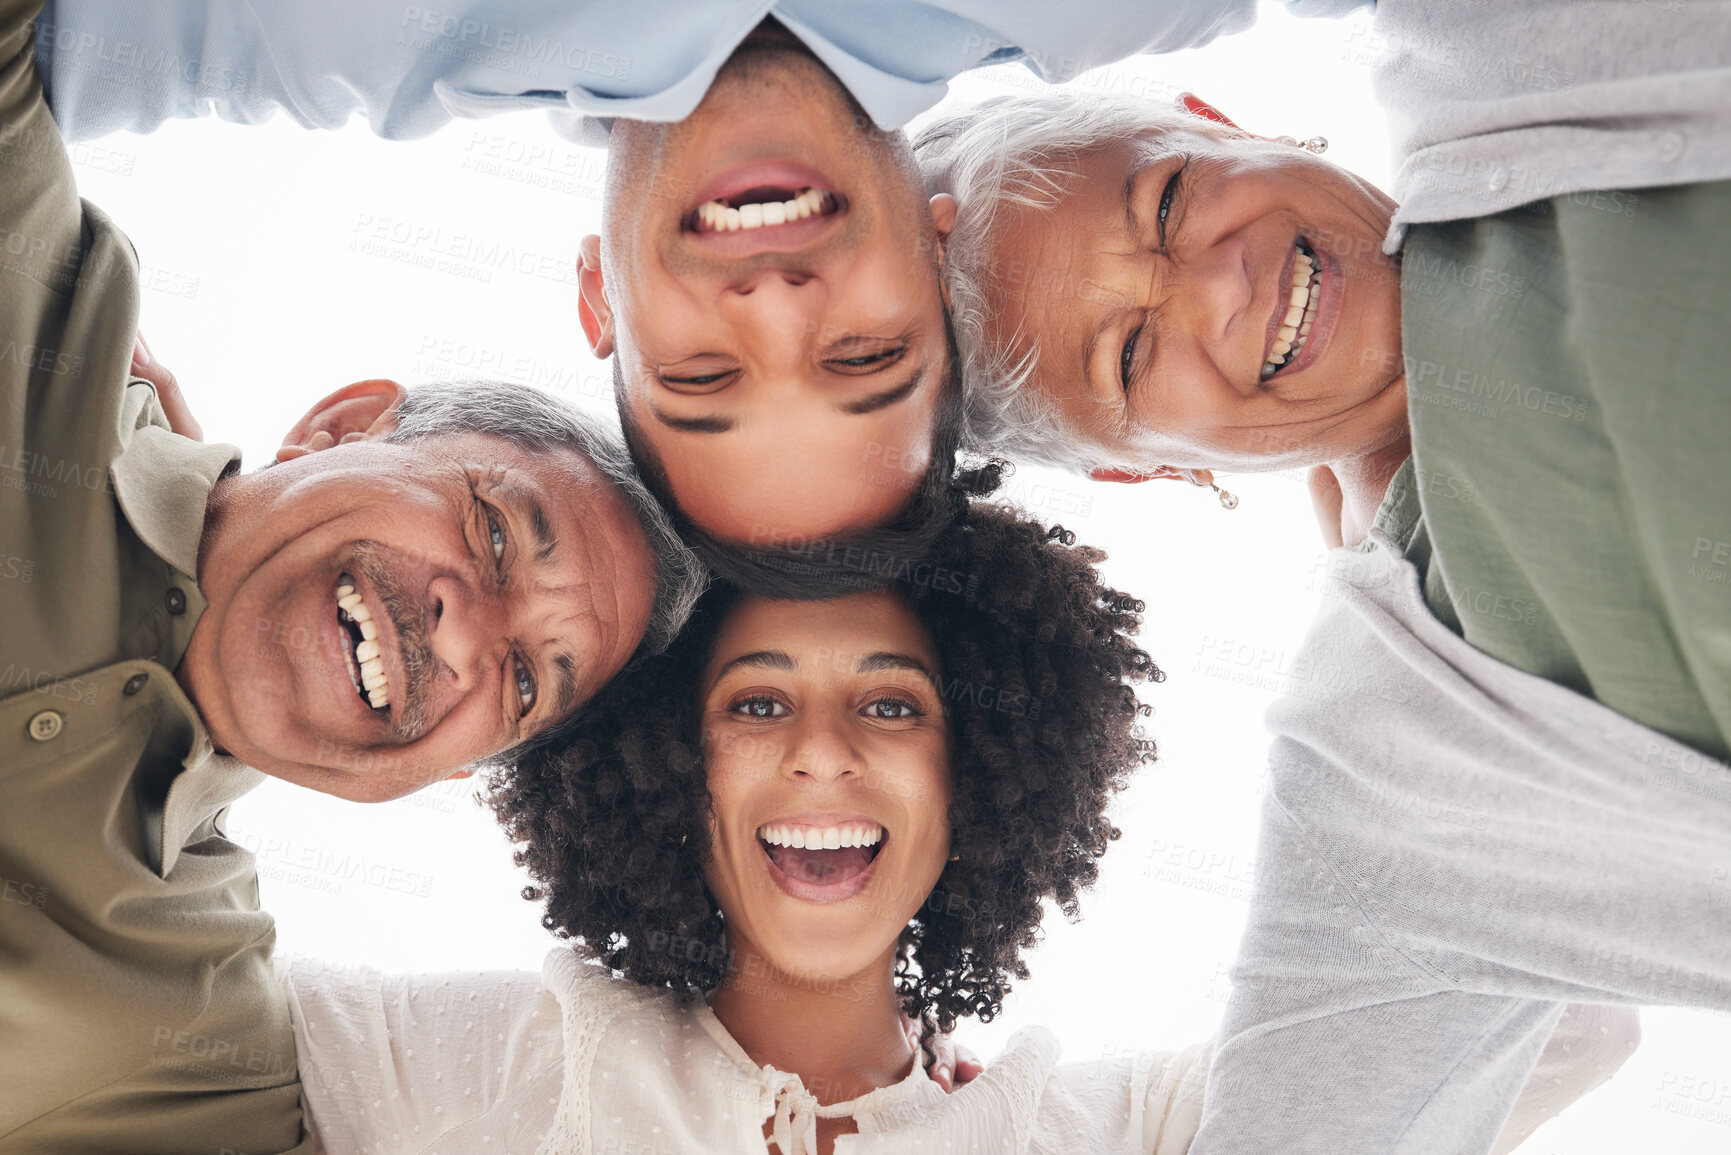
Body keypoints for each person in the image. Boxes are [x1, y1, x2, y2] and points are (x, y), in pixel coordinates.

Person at [911, 6, 1731, 1146]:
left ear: (1213, 116)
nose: (1217, 291)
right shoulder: (1387, 769)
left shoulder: (1499, 48)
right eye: (1133, 355)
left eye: (1168, 202)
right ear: (1138, 470)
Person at [282, 500, 1636, 1154]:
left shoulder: (1104, 1128)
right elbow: (113, 990)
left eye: (890, 702)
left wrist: (1386, 569)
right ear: (663, 769)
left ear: (977, 776)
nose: (821, 749)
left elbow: (1557, 1001)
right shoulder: (475, 1059)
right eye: (755, 704)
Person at [0, 0, 703, 1146]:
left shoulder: (188, 1042)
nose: (470, 641)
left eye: (525, 684)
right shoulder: (45, 310)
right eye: (490, 533)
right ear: (340, 424)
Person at [28, 0, 1293, 582]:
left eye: (703, 376)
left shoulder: (313, 41)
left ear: (599, 305)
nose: (776, 299)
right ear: (935, 241)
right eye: (862, 354)